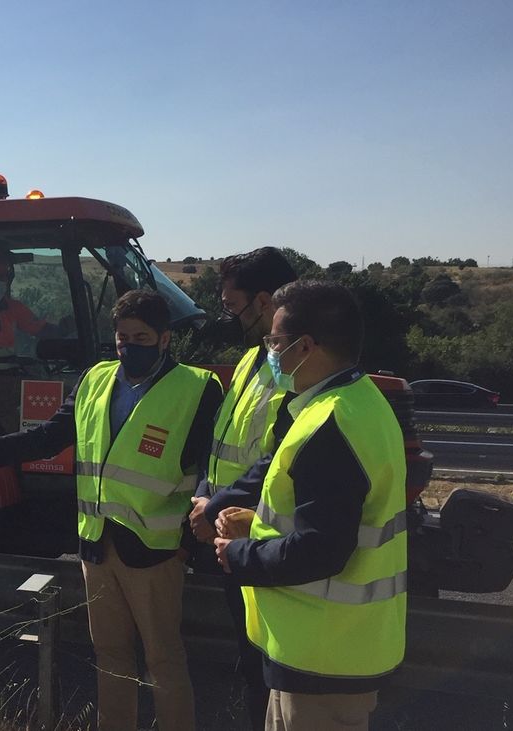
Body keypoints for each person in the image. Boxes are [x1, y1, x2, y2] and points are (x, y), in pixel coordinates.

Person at [0, 290, 222, 731]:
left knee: (163, 659)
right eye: (122, 337)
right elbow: (49, 437)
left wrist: (189, 544)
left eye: (140, 337)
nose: (128, 347)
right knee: (110, 656)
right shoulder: (96, 380)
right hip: (97, 545)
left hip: (157, 550)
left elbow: (207, 468)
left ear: (165, 339)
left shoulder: (198, 388)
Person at [211, 280, 407, 731]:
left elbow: (322, 549)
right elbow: (332, 518)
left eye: (276, 342)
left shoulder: (329, 424)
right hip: (332, 648)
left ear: (306, 346)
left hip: (324, 657)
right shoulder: (357, 402)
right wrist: (256, 523)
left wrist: (238, 554)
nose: (271, 353)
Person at [187, 246, 298, 730]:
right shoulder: (256, 360)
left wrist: (219, 502)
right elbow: (226, 445)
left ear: (266, 301)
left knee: (268, 668)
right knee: (252, 662)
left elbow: (281, 454)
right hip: (233, 531)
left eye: (234, 308)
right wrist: (206, 495)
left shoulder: (288, 369)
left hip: (265, 535)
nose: (231, 318)